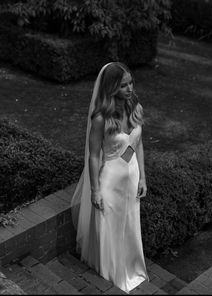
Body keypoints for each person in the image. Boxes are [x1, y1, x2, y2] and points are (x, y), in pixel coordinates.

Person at [71, 62, 149, 293]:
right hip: (111, 181)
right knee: (111, 228)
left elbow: (138, 144)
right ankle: (112, 273)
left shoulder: (136, 107)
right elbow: (93, 157)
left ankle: (131, 266)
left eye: (130, 82)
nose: (129, 88)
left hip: (132, 175)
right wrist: (95, 189)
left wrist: (143, 177)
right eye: (123, 85)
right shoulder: (100, 118)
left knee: (130, 225)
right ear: (111, 87)